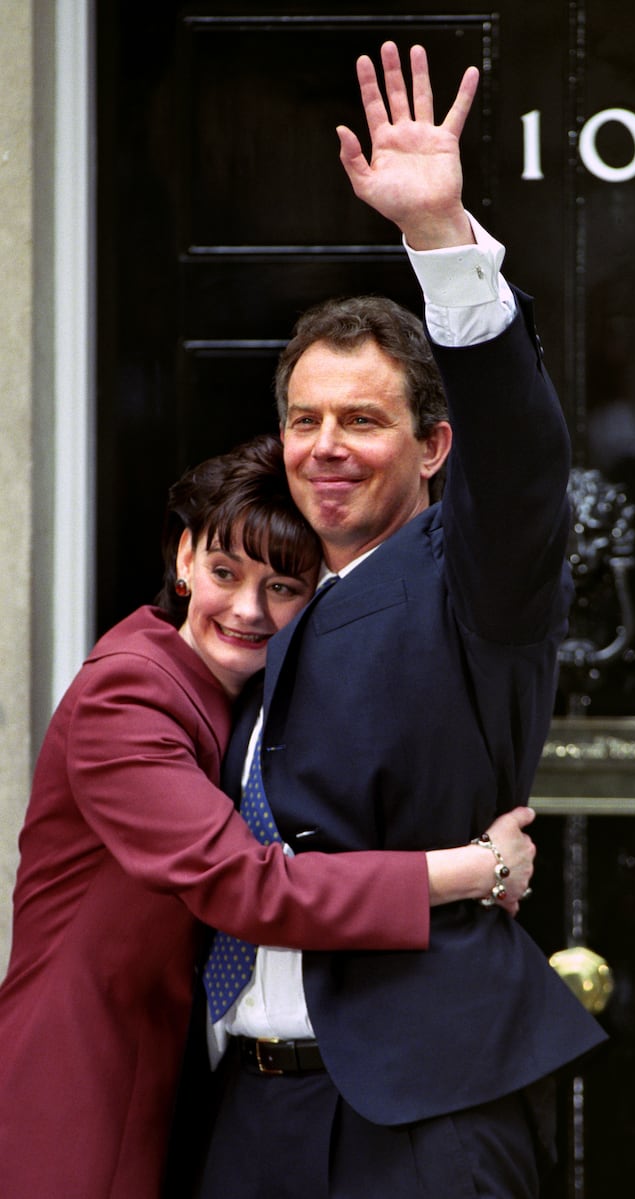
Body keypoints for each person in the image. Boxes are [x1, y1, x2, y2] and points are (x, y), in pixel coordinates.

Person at [196, 42, 607, 1199]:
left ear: (430, 446)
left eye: (362, 419)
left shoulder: (475, 575)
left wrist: (439, 238)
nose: (325, 445)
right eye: (304, 418)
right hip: (248, 1105)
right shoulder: (253, 601)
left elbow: (521, 462)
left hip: (418, 1116)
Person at [0, 433, 536, 1199]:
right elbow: (249, 887)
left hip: (191, 1090)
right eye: (224, 572)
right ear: (183, 560)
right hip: (81, 1081)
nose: (248, 609)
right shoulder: (127, 696)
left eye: (283, 585)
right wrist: (473, 869)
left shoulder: (248, 696)